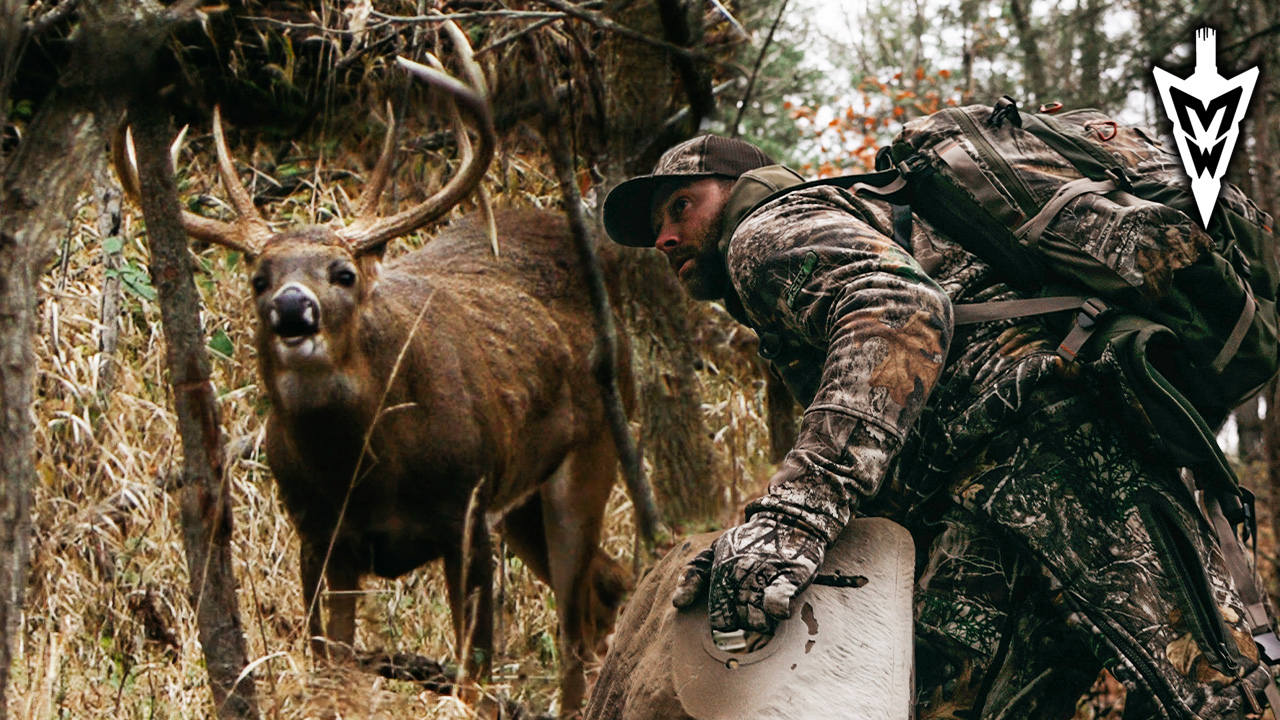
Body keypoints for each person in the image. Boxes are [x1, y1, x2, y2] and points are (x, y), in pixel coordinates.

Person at [600, 134, 1278, 718]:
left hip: (1061, 454)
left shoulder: (762, 234)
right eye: (658, 226)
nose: (664, 238)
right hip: (986, 492)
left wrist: (791, 521)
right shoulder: (828, 238)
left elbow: (899, 307)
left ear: (740, 187)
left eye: (681, 206)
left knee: (1217, 697)